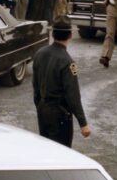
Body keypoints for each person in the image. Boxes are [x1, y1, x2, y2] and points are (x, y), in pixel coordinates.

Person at [31, 16, 91, 147]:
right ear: (70, 35)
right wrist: (83, 123)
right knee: (61, 151)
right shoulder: (67, 62)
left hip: (43, 109)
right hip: (60, 115)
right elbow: (73, 95)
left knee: (45, 148)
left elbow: (35, 85)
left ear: (53, 34)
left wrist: (40, 105)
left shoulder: (39, 53)